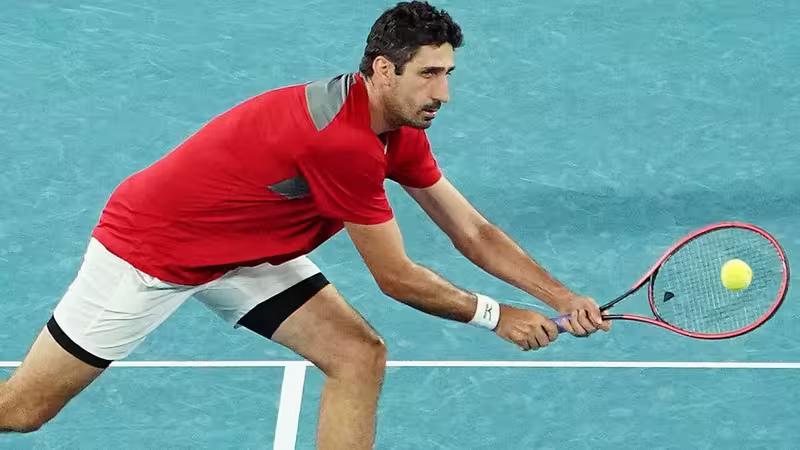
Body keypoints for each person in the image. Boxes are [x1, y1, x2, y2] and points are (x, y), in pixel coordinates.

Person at [0, 1, 610, 448]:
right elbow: (396, 278)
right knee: (23, 411)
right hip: (152, 251)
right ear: (383, 70)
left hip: (243, 250)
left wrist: (561, 297)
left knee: (357, 356)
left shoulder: (396, 128)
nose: (444, 92)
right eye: (429, 73)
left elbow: (472, 232)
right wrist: (496, 316)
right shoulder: (342, 143)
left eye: (448, 73)